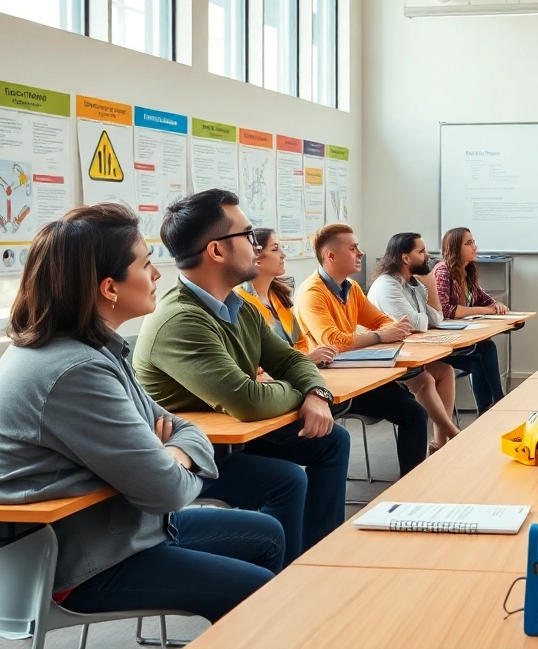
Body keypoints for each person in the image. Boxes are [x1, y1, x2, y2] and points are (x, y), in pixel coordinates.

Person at [0, 204, 282, 623]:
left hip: (118, 532)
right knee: (262, 590)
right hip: (79, 565)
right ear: (110, 288)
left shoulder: (93, 348)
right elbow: (168, 493)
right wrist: (171, 456)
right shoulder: (74, 370)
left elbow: (180, 427)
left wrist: (173, 450)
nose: (157, 274)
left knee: (267, 533)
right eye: (145, 264)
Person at [134, 190, 351, 564]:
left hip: (237, 439)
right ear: (217, 251)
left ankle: (318, 557)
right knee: (286, 479)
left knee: (332, 439)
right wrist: (297, 392)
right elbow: (248, 401)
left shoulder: (241, 308)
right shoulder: (180, 320)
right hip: (192, 452)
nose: (257, 246)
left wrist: (316, 392)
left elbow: (294, 362)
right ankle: (283, 579)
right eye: (248, 236)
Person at [295, 223, 430, 475]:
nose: (361, 253)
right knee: (413, 411)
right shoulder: (312, 292)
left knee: (413, 410)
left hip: (355, 372)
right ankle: (412, 483)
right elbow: (331, 341)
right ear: (331, 256)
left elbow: (384, 321)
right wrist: (378, 336)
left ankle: (413, 481)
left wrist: (379, 332)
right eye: (353, 248)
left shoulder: (351, 288)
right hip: (329, 381)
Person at [366, 232, 461, 450]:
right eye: (421, 251)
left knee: (445, 371)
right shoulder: (387, 285)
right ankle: (453, 433)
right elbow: (416, 323)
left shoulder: (413, 283)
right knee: (425, 379)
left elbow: (436, 318)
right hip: (384, 358)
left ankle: (440, 441)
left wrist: (430, 286)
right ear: (405, 258)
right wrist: (427, 309)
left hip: (407, 351)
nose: (427, 255)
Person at [234, 228, 338, 367]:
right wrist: (305, 359)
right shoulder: (240, 302)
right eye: (275, 249)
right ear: (256, 258)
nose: (283, 255)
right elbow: (252, 364)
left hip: (294, 375)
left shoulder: (278, 297)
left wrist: (310, 357)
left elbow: (300, 343)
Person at [432, 227, 509, 413]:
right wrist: (486, 310)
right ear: (454, 248)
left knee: (481, 352)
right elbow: (446, 310)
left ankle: (486, 408)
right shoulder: (443, 271)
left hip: (461, 340)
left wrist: (497, 305)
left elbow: (485, 298)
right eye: (468, 243)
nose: (474, 247)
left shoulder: (466, 272)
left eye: (473, 242)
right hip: (444, 345)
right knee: (485, 348)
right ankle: (498, 400)